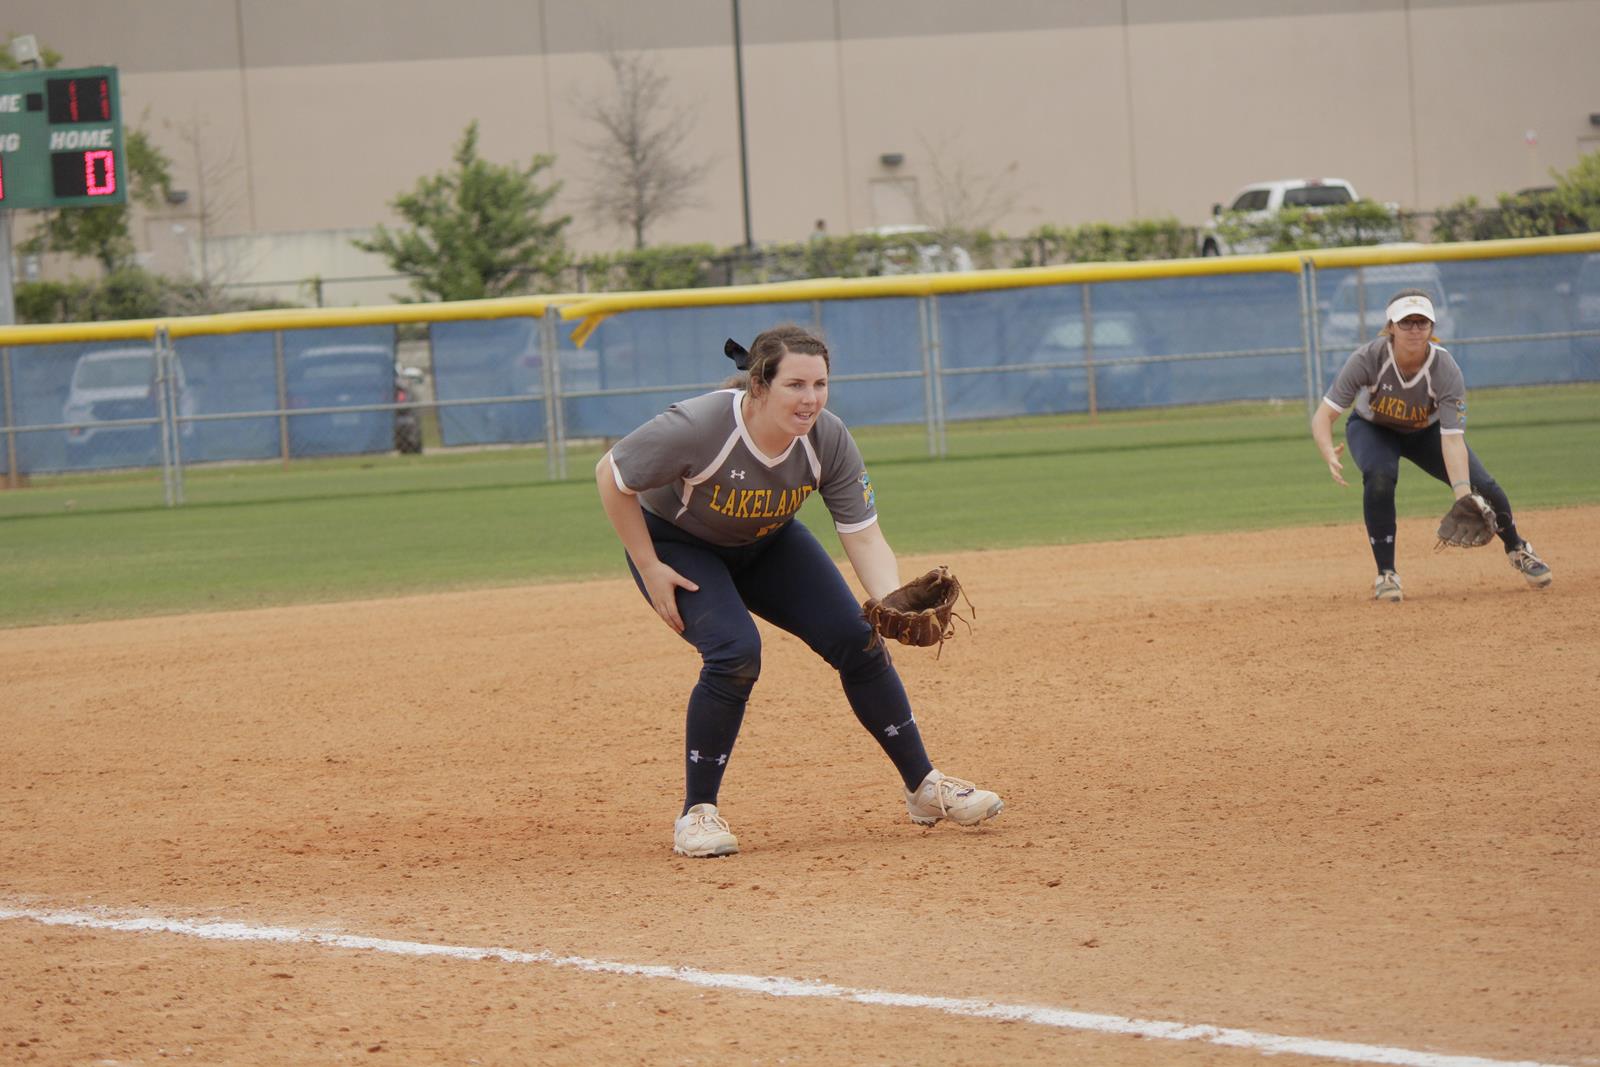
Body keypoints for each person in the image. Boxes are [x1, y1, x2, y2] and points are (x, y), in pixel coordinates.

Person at [595, 324, 1003, 857]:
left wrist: (888, 599)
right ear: (759, 386)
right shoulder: (700, 426)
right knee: (736, 652)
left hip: (768, 541)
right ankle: (697, 815)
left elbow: (862, 531)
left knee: (858, 638)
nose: (810, 399)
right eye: (795, 385)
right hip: (679, 545)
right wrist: (648, 566)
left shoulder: (828, 438)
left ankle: (924, 787)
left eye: (820, 384)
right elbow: (612, 474)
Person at [1311, 288, 1553, 602]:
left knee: (1484, 486)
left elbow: (1452, 439)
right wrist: (1327, 450)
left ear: (1432, 328)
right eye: (1406, 322)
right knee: (1379, 477)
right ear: (1391, 327)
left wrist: (1463, 495)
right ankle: (1387, 574)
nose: (1414, 329)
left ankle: (1518, 548)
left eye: (1421, 322)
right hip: (1373, 429)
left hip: (1426, 431)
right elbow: (1323, 415)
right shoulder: (1368, 358)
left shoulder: (1445, 368)